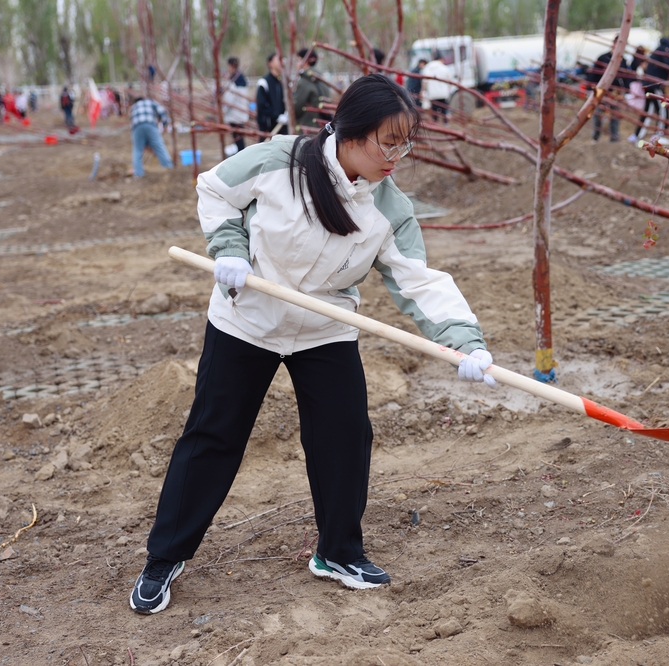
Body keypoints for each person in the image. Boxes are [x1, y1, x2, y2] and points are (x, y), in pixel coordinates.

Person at [128, 73, 496, 615]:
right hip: (246, 317)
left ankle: (338, 552)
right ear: (350, 133)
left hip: (323, 327)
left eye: (405, 143)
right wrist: (229, 246)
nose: (398, 155)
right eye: (387, 142)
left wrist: (466, 342)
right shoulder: (280, 162)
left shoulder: (388, 208)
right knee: (214, 436)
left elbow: (421, 281)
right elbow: (214, 188)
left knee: (345, 437)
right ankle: (164, 556)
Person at [630, 32, 669, 145]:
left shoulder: (661, 48)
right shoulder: (665, 49)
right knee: (662, 110)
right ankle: (658, 135)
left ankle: (637, 135)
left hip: (650, 84)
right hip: (655, 85)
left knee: (648, 111)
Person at [587, 39, 630, 142]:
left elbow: (626, 77)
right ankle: (595, 136)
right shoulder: (602, 58)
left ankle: (614, 138)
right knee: (598, 113)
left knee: (615, 115)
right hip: (602, 91)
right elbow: (593, 74)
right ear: (614, 44)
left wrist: (626, 92)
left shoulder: (622, 61)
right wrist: (591, 89)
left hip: (615, 93)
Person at [129, 95, 173, 177]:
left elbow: (131, 124)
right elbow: (162, 110)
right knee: (159, 146)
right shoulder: (150, 102)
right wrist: (164, 123)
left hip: (136, 128)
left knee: (137, 150)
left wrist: (143, 143)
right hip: (150, 125)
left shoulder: (133, 107)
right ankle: (168, 167)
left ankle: (138, 173)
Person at [293, 48, 330, 131]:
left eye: (298, 60)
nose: (297, 64)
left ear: (305, 61)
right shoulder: (321, 79)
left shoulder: (304, 82)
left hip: (308, 127)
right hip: (322, 126)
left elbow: (296, 108)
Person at [256, 53, 287, 140]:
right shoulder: (264, 82)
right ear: (270, 63)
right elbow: (262, 106)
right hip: (268, 129)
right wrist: (277, 116)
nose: (281, 62)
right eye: (278, 60)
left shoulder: (282, 82)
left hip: (282, 129)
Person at [222, 56, 249, 155]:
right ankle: (242, 156)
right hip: (241, 113)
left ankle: (242, 157)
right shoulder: (240, 78)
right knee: (240, 138)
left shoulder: (234, 80)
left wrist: (223, 110)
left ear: (230, 66)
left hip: (235, 115)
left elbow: (229, 99)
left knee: (238, 140)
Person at [421, 52, 453, 123]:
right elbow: (450, 81)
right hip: (443, 94)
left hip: (433, 94)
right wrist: (449, 90)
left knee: (434, 111)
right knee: (444, 110)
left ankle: (435, 123)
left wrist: (423, 91)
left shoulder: (428, 68)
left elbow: (425, 81)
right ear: (441, 59)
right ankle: (446, 124)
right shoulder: (445, 68)